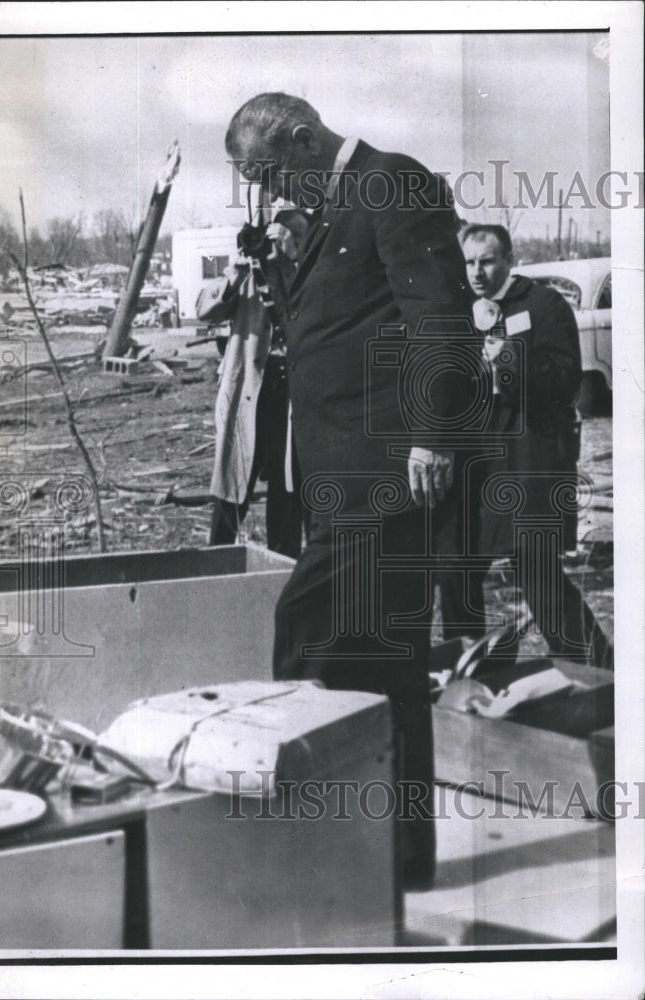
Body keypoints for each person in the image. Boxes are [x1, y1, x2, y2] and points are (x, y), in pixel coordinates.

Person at [225, 92, 475, 890]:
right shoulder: (328, 210)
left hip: (386, 475)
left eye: (269, 174)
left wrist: (433, 434)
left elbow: (441, 317)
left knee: (308, 629)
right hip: (340, 475)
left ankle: (311, 843)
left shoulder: (389, 184)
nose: (268, 193)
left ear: (304, 138)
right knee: (387, 667)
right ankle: (394, 866)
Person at [437, 223, 613, 671]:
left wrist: (509, 359)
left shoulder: (543, 304)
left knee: (537, 575)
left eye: (487, 261)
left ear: (510, 259)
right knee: (455, 568)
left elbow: (564, 381)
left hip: (526, 458)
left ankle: (596, 669)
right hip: (474, 462)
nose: (477, 272)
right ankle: (474, 670)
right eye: (470, 262)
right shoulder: (460, 308)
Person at [196, 205, 309, 559]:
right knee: (232, 485)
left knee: (286, 489)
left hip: (291, 393)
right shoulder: (248, 275)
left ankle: (281, 570)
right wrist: (235, 274)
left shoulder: (306, 274)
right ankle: (214, 567)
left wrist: (291, 262)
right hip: (249, 390)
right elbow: (205, 310)